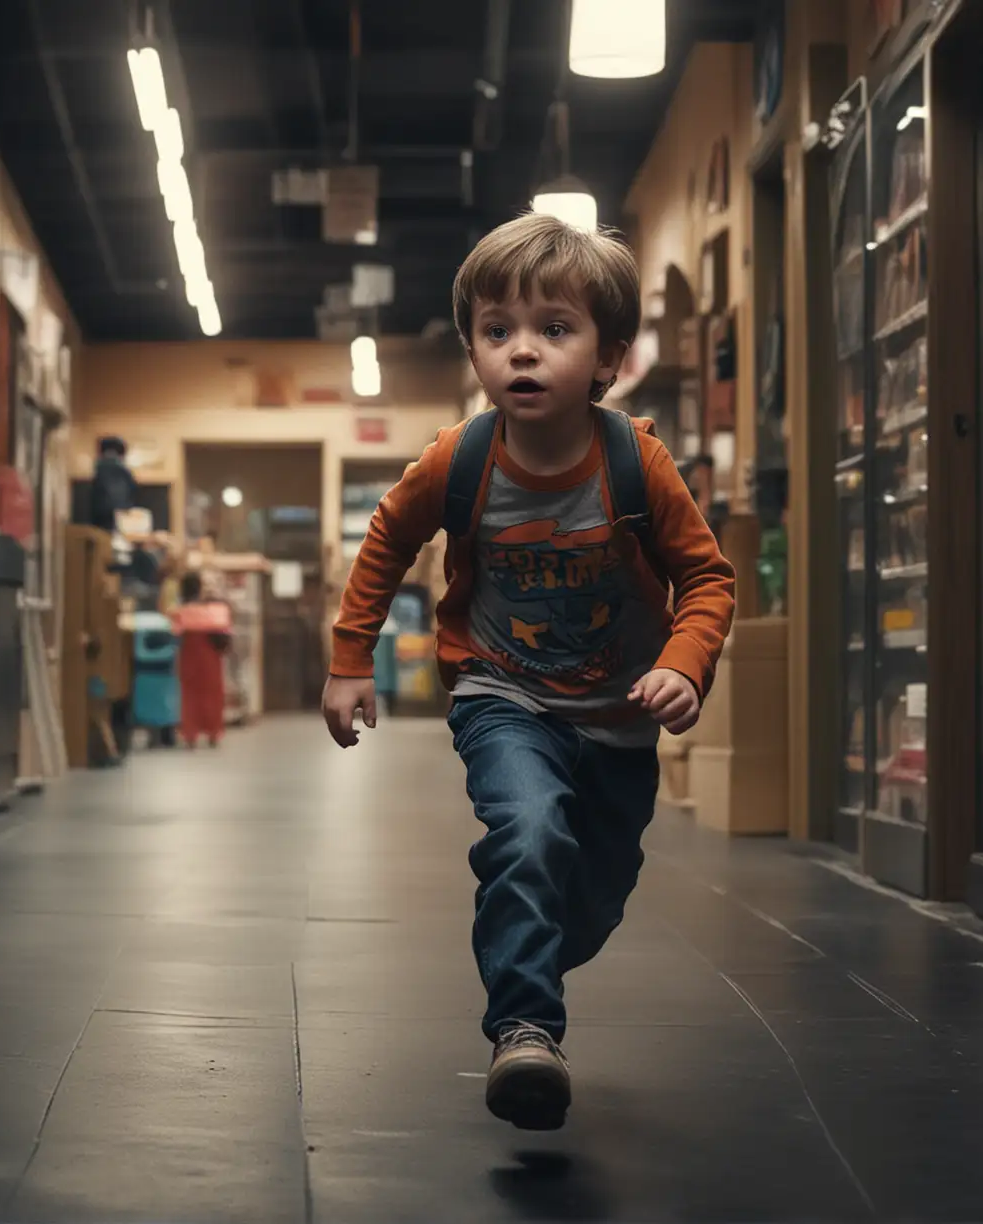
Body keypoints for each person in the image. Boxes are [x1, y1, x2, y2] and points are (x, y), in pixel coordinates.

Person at [319, 212, 736, 1132]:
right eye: (497, 330)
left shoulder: (637, 463)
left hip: (619, 710)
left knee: (591, 898)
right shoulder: (458, 461)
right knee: (531, 827)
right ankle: (525, 1033)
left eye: (555, 330)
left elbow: (706, 577)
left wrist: (684, 663)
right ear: (472, 349)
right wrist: (352, 660)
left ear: (608, 359)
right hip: (501, 691)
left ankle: (533, 951)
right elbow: (386, 540)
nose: (523, 352)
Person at [171, 572, 232, 749]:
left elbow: (175, 631)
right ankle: (214, 732)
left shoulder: (181, 611)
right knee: (213, 694)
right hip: (211, 657)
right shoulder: (214, 609)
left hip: (189, 656)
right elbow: (225, 628)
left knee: (190, 695)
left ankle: (190, 733)